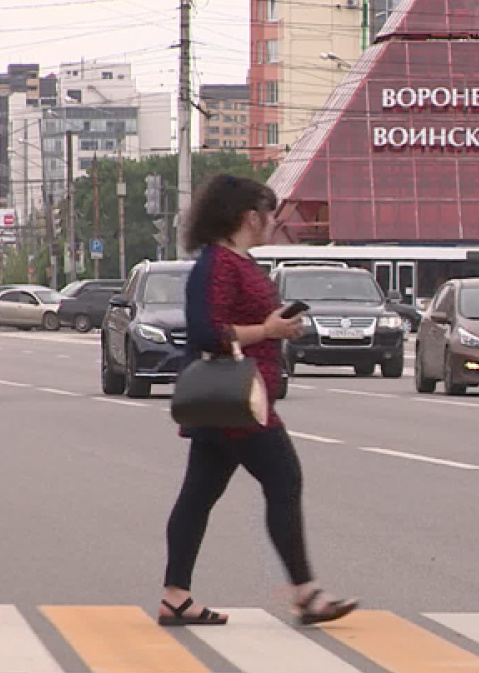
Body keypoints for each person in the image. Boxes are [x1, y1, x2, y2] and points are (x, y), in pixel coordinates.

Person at [158, 175, 358, 627]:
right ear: (250, 217)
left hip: (238, 400)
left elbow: (248, 321)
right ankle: (306, 592)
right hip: (239, 403)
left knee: (198, 496)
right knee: (284, 479)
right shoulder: (217, 265)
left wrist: (282, 326)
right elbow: (209, 333)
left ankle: (176, 595)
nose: (271, 222)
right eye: (268, 214)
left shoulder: (237, 262)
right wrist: (268, 330)